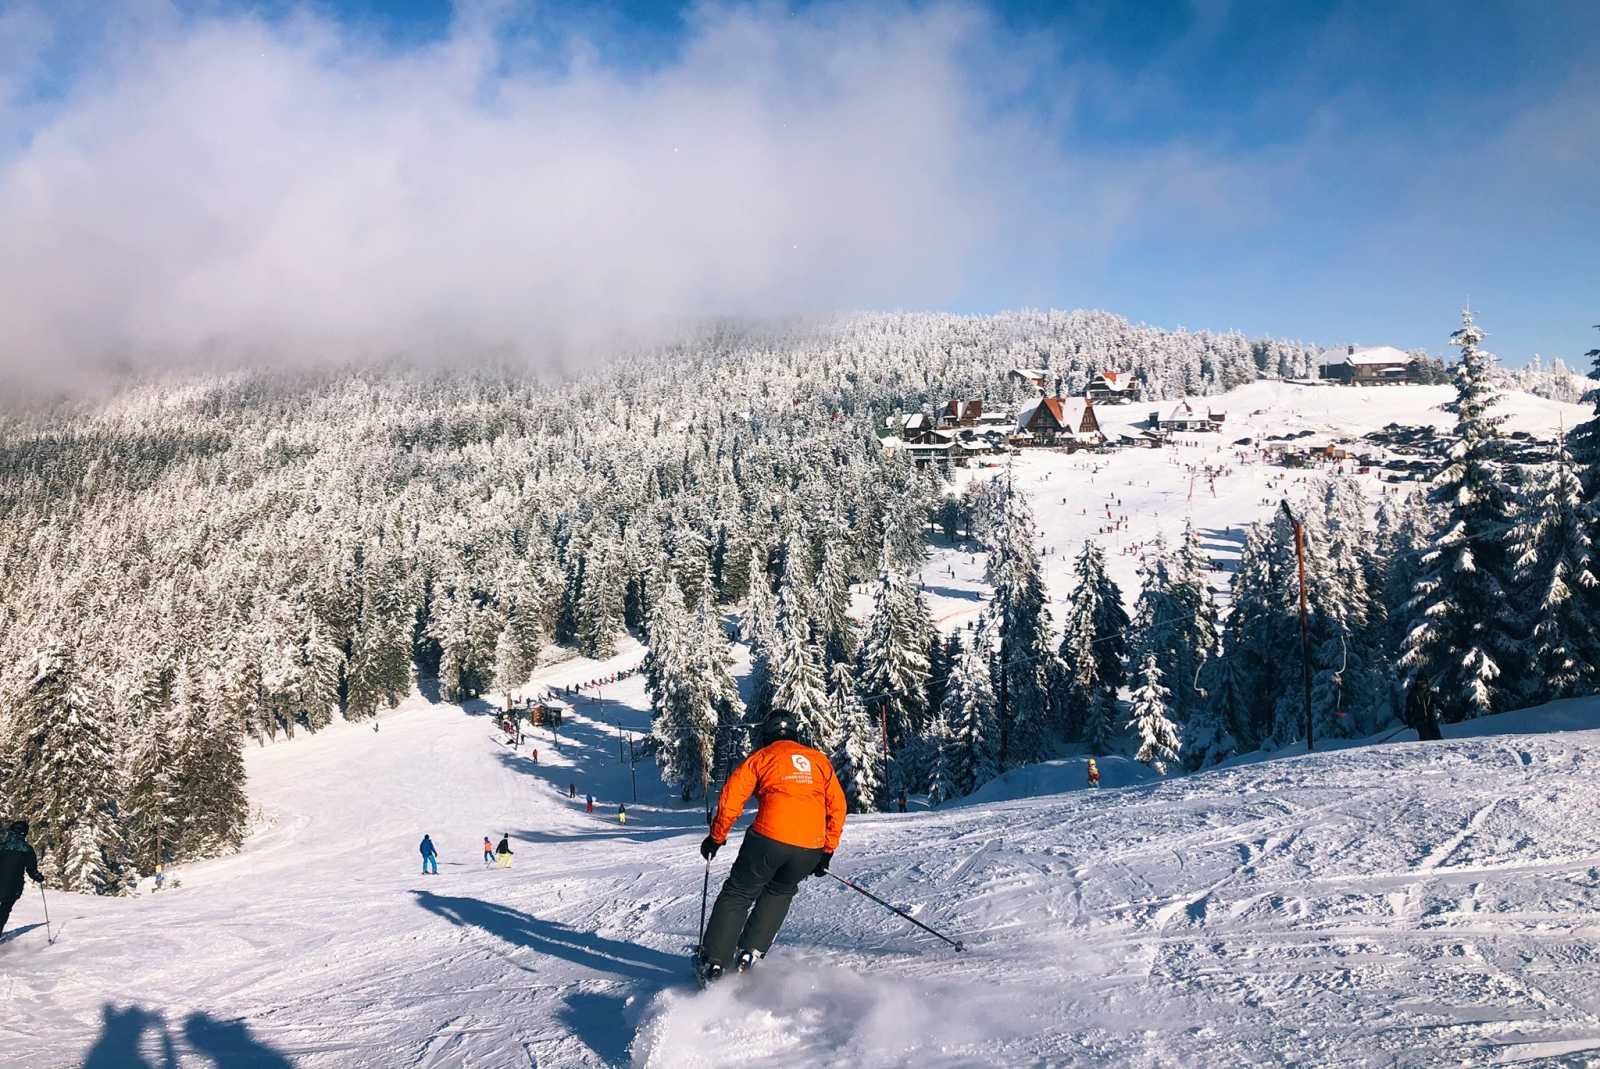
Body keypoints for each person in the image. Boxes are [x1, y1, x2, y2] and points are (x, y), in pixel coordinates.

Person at [697, 713, 846, 983]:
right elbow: (838, 806)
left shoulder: (761, 758)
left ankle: (715, 962)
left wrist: (716, 837)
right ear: (795, 734)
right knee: (780, 890)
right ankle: (750, 951)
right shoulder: (818, 760)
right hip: (809, 846)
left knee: (739, 892)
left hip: (769, 837)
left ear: (766, 734)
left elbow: (731, 800)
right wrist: (827, 850)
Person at [0, 821, 44, 935]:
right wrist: (38, 877)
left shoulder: (2, 846)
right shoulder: (27, 850)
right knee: (4, 909)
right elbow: (31, 870)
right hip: (13, 886)